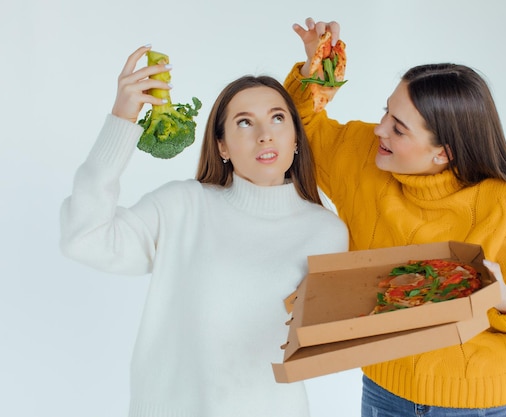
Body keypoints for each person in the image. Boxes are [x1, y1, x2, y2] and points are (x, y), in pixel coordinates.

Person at [285, 18, 506, 417]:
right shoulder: (364, 160)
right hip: (383, 393)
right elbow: (296, 129)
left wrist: (505, 298)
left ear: (444, 152)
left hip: (474, 406)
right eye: (385, 112)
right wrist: (316, 71)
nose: (378, 130)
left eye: (399, 128)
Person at [59, 45, 348, 417]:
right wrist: (122, 118)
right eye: (244, 121)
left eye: (278, 118)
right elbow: (83, 239)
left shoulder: (326, 231)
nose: (265, 134)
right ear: (222, 145)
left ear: (296, 137)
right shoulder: (184, 205)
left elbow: (325, 344)